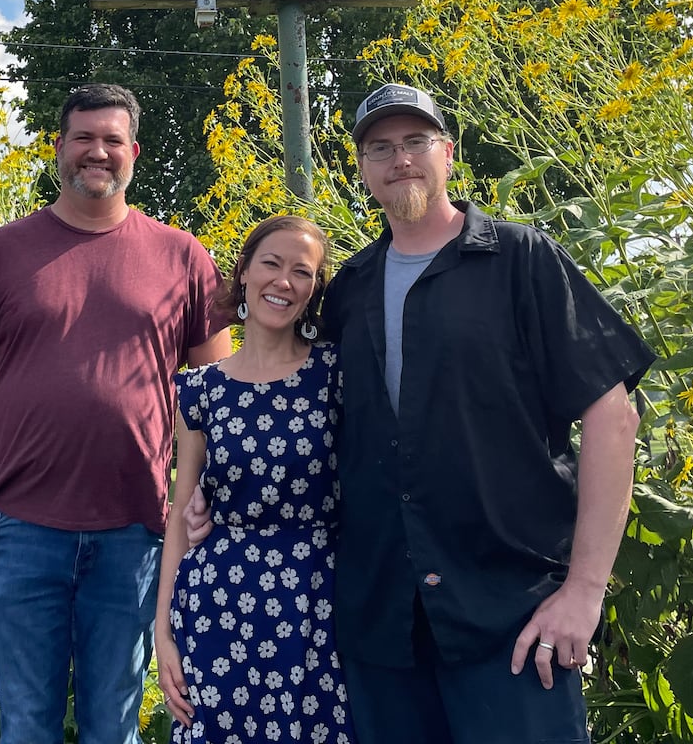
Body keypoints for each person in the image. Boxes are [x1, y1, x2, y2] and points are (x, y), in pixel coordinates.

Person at [188, 82, 653, 744]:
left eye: (415, 142)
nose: (399, 159)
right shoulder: (348, 290)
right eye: (380, 147)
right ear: (362, 171)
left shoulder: (522, 261)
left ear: (448, 153)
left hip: (511, 617)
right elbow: (294, 407)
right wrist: (216, 495)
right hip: (384, 624)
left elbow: (615, 419)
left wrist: (584, 590)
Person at [0, 83, 232, 744]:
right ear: (58, 149)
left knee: (112, 726)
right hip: (22, 530)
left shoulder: (182, 256)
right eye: (83, 138)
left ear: (134, 153)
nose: (98, 152)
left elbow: (217, 396)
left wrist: (199, 497)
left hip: (137, 531)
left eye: (112, 140)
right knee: (27, 726)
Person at [155, 215, 355, 744]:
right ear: (243, 272)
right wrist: (163, 630)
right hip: (217, 603)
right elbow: (181, 509)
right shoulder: (200, 390)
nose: (283, 281)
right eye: (271, 263)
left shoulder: (336, 373)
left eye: (302, 272)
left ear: (315, 290)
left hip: (318, 601)